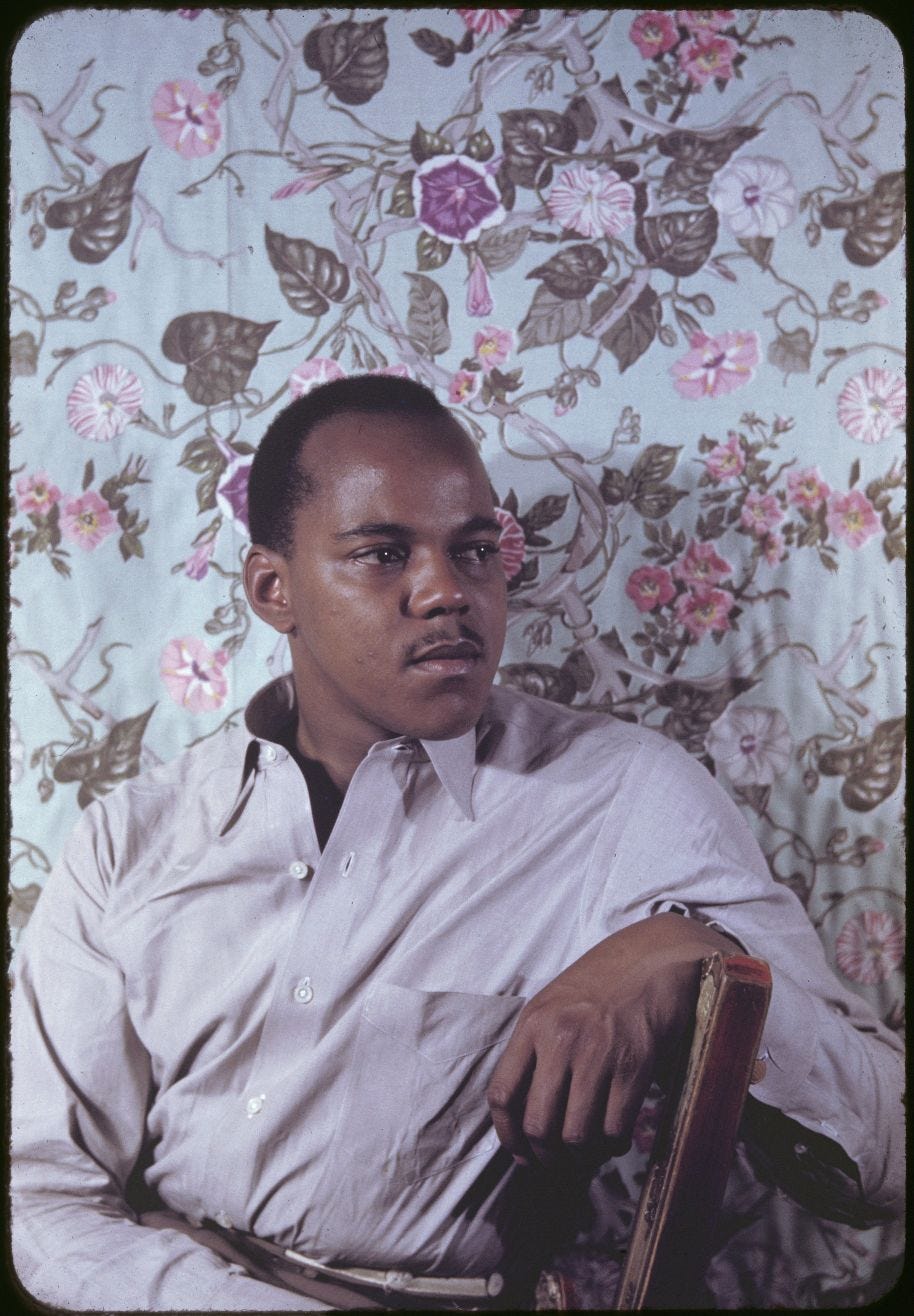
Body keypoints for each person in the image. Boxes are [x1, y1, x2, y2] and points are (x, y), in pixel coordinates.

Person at [11, 375, 904, 1311]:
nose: (448, 592)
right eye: (383, 555)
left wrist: (702, 961)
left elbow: (889, 1150)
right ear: (273, 589)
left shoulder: (623, 797)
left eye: (476, 550)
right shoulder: (130, 840)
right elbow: (47, 1199)